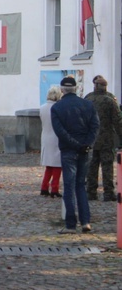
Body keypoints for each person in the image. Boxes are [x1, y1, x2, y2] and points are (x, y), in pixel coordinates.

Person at [51, 76, 100, 234]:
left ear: (62, 90)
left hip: (68, 150)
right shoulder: (87, 105)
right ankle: (86, 222)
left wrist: (75, 144)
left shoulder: (57, 108)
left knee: (69, 187)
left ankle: (71, 224)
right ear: (76, 89)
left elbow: (60, 132)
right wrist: (87, 144)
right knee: (81, 186)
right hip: (84, 151)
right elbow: (95, 126)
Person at [84, 76, 122, 202]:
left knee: (91, 167)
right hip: (106, 139)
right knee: (107, 167)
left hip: (91, 139)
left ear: (95, 86)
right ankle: (108, 193)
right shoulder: (110, 100)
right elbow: (118, 121)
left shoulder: (88, 99)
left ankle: (91, 192)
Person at [39, 87, 63, 198]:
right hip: (56, 137)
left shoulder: (42, 107)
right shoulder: (58, 107)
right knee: (57, 165)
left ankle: (44, 187)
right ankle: (54, 188)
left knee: (49, 165)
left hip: (45, 136)